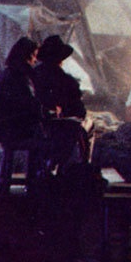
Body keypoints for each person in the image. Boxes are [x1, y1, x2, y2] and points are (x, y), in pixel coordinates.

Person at [0, 37, 47, 193]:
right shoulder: (20, 76)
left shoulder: (7, 73)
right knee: (42, 141)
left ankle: (8, 182)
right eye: (34, 55)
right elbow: (29, 104)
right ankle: (33, 182)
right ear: (27, 55)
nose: (35, 60)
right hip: (11, 131)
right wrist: (46, 112)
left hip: (0, 129)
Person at [33, 34, 90, 168]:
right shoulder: (66, 80)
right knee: (83, 127)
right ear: (60, 59)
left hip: (34, 124)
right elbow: (79, 110)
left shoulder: (34, 75)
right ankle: (77, 167)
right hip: (54, 126)